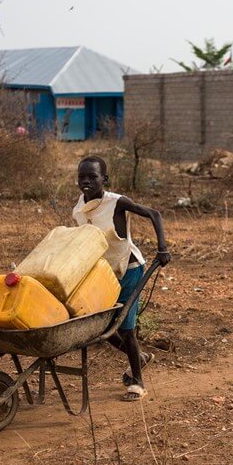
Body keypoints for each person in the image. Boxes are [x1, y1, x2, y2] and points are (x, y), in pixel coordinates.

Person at [72, 156, 170, 401]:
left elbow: (154, 214)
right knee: (102, 327)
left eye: (92, 177)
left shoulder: (117, 203)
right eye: (82, 177)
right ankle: (140, 357)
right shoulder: (78, 209)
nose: (86, 181)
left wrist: (162, 247)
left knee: (126, 329)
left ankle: (138, 383)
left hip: (130, 269)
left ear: (104, 179)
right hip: (105, 274)